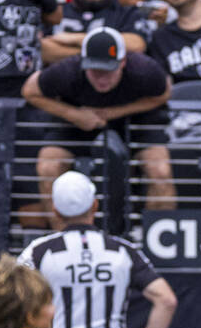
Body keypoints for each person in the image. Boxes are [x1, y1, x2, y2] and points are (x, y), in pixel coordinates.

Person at [19, 171, 178, 328]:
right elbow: (166, 300)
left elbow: (11, 299)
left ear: (55, 210)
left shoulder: (38, 251)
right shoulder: (122, 251)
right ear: (95, 205)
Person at [23, 26, 174, 225]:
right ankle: (64, 237)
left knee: (161, 171)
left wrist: (115, 112)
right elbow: (30, 90)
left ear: (123, 62)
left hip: (135, 119)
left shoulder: (144, 70)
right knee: (48, 166)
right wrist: (73, 114)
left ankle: (154, 240)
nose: (102, 78)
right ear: (83, 62)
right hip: (77, 120)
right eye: (95, 70)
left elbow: (164, 93)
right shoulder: (68, 70)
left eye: (108, 70)